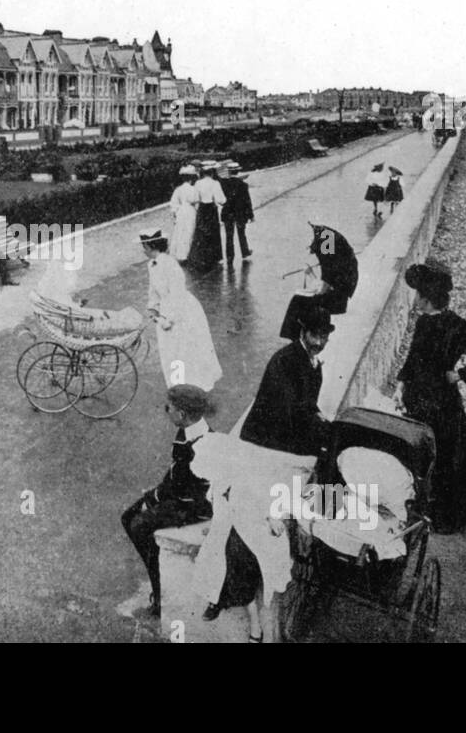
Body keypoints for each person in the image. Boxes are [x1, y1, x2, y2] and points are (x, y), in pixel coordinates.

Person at [193, 306, 336, 642]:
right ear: (303, 333)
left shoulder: (311, 364)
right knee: (242, 517)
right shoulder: (285, 362)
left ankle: (244, 603)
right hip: (265, 444)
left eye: (324, 337)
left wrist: (319, 425)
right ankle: (224, 595)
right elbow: (291, 411)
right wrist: (318, 428)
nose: (319, 342)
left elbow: (305, 407)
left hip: (284, 444)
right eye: (315, 335)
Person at [392, 260, 466, 534]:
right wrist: (401, 385)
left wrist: (460, 376)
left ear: (427, 299)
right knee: (434, 462)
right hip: (422, 404)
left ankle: (444, 519)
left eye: (418, 295)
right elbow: (413, 361)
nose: (415, 299)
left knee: (443, 462)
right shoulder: (426, 322)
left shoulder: (456, 326)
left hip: (440, 408)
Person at [121, 384, 216, 618]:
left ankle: (159, 589)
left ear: (182, 414)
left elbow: (178, 487)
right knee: (129, 517)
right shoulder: (194, 430)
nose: (167, 411)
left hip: (193, 506)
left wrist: (150, 500)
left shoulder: (195, 446)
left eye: (169, 408)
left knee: (138, 525)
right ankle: (158, 578)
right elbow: (175, 475)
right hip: (182, 494)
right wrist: (153, 496)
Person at [141, 229, 222, 391]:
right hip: (165, 310)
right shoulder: (151, 265)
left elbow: (177, 295)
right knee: (171, 352)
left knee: (185, 350)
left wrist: (168, 318)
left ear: (151, 246)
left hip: (183, 311)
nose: (143, 250)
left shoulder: (170, 265)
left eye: (144, 246)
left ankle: (193, 386)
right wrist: (153, 307)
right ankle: (177, 386)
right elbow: (154, 291)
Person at [186, 161, 226, 270]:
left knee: (201, 231)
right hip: (211, 209)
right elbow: (221, 200)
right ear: (212, 173)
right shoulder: (215, 183)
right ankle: (214, 257)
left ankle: (201, 257)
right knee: (213, 232)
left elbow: (193, 198)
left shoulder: (198, 183)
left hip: (202, 209)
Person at [218, 162, 254, 262]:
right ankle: (245, 252)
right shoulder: (243, 185)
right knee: (241, 233)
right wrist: (251, 215)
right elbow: (247, 201)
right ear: (238, 171)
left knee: (229, 235)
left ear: (229, 171)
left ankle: (230, 256)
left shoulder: (223, 184)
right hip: (240, 212)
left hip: (228, 211)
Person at [169, 166, 199, 263]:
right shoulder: (193, 189)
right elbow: (196, 201)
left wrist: (175, 214)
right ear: (191, 178)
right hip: (190, 211)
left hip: (181, 211)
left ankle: (180, 254)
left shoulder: (178, 189)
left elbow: (174, 203)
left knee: (180, 232)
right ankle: (188, 254)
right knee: (190, 232)